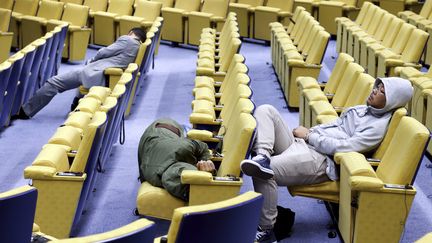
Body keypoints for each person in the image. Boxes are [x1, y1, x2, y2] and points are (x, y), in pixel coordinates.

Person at [240, 77, 413, 242]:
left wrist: (309, 136)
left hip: (321, 159)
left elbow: (346, 147)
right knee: (266, 110)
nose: (374, 91)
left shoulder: (376, 128)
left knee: (265, 172)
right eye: (377, 86)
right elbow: (335, 125)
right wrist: (310, 133)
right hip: (305, 144)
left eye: (381, 91)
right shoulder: (363, 109)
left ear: (392, 101)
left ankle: (266, 231)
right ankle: (262, 155)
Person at [13, 27, 147, 119]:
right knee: (68, 82)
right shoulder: (137, 46)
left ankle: (26, 111)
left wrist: (91, 60)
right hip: (102, 75)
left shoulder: (127, 40)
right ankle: (76, 103)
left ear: (131, 33)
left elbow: (103, 52)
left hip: (94, 73)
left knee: (54, 83)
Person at [138, 118, 216, 201]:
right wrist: (206, 163)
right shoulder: (172, 172)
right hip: (159, 135)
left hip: (155, 137)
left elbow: (202, 147)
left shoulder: (184, 147)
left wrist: (206, 161)